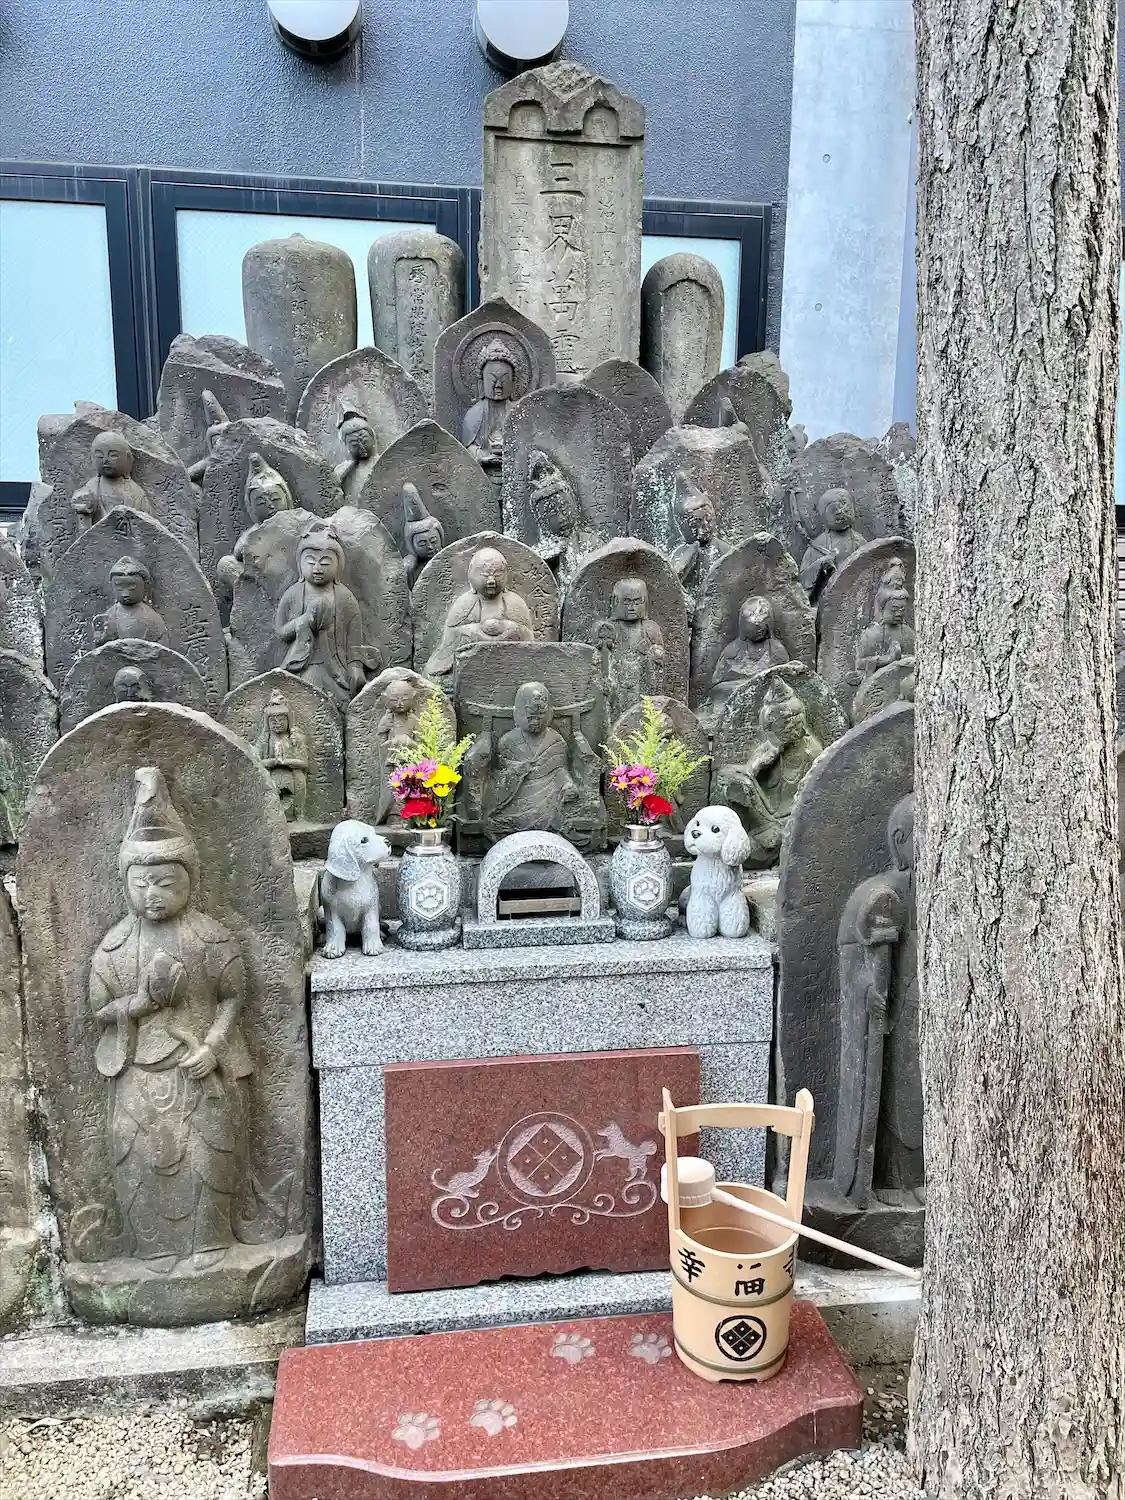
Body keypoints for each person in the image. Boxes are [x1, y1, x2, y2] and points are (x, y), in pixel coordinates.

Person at [88, 767, 253, 1271]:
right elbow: (100, 1010)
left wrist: (213, 1048)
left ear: (189, 881)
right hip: (139, 1070)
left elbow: (233, 997)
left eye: (164, 882)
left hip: (199, 1067)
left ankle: (210, 1240)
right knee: (135, 1152)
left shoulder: (210, 937)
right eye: (141, 885)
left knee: (210, 1150)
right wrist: (139, 1005)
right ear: (125, 886)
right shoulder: (114, 946)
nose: (152, 894)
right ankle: (154, 1246)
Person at [717, 676, 822, 864]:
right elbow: (748, 781)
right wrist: (759, 764)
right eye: (783, 723)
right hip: (764, 821)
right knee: (734, 780)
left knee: (761, 847)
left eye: (795, 721)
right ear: (769, 728)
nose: (791, 726)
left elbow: (816, 795)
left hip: (794, 822)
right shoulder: (765, 750)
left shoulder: (810, 751)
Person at [274, 521, 367, 709]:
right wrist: (303, 621)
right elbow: (281, 631)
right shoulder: (293, 594)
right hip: (303, 663)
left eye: (325, 563)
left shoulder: (344, 597)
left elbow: (354, 637)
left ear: (338, 566)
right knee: (303, 701)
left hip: (337, 666)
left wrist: (356, 666)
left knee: (340, 704)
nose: (317, 568)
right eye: (310, 562)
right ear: (300, 565)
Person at [424, 546, 533, 686]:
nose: (491, 581)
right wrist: (473, 632)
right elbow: (450, 639)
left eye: (497, 575)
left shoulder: (515, 602)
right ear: (472, 575)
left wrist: (511, 629)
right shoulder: (465, 603)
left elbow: (529, 640)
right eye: (485, 575)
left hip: (509, 666)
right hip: (470, 668)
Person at [482, 681, 578, 840]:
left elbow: (560, 771)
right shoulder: (508, 741)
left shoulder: (556, 740)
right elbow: (499, 777)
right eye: (530, 717)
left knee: (558, 811)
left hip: (548, 797)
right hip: (517, 797)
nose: (535, 722)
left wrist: (568, 785)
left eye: (540, 717)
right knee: (496, 821)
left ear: (549, 714)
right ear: (517, 714)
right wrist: (518, 770)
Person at [705, 596, 789, 725]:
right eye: (753, 627)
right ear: (744, 627)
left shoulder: (776, 650)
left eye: (763, 626)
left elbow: (786, 681)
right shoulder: (732, 651)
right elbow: (716, 686)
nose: (759, 630)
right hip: (734, 705)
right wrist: (742, 688)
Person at [593, 577, 665, 719]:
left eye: (637, 602)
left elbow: (659, 659)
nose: (632, 607)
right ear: (616, 601)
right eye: (626, 602)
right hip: (617, 683)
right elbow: (598, 659)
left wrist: (653, 654)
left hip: (641, 682)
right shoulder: (609, 629)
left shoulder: (651, 629)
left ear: (644, 602)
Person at [71, 431, 151, 529]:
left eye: (113, 455)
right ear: (92, 458)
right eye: (100, 456)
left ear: (128, 458)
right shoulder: (90, 490)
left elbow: (148, 527)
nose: (105, 460)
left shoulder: (136, 493)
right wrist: (83, 513)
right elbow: (83, 528)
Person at [253, 689, 311, 822]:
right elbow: (255, 762)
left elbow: (304, 763)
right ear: (268, 723)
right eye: (273, 721)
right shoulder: (264, 740)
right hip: (270, 775)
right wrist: (274, 762)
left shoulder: (296, 739)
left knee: (299, 777)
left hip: (293, 776)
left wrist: (286, 762)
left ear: (288, 721)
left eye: (281, 720)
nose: (277, 724)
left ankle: (298, 813)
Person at [798, 488, 867, 596]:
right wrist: (820, 565)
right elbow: (803, 582)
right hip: (828, 597)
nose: (840, 512)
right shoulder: (818, 545)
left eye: (845, 507)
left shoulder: (859, 541)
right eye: (834, 510)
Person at [855, 561, 915, 680]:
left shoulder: (908, 633)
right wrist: (886, 659)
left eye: (902, 609)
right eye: (894, 609)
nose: (898, 613)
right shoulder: (871, 634)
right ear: (882, 609)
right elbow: (860, 664)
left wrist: (902, 659)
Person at [93, 557, 170, 647]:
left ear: (145, 586)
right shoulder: (109, 617)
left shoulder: (153, 619)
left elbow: (163, 648)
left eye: (132, 587)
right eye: (119, 587)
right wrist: (100, 640)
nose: (125, 593)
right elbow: (101, 649)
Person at [462, 341, 518, 460]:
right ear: (481, 383)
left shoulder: (519, 412)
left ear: (513, 384)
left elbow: (529, 446)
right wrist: (481, 457)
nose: (498, 385)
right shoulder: (474, 414)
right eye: (492, 379)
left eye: (504, 380)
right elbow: (465, 449)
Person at [401, 483, 445, 588]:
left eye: (433, 541)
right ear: (412, 546)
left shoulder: (450, 559)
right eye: (422, 544)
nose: (429, 547)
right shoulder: (409, 568)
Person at [334, 407, 377, 503]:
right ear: (347, 447)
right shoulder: (343, 470)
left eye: (364, 441)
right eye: (354, 444)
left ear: (372, 438)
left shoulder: (383, 462)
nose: (361, 446)